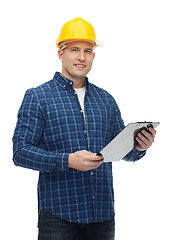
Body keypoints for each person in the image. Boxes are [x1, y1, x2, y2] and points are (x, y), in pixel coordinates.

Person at [12, 17, 156, 240]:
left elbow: (122, 152)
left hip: (102, 216)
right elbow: (20, 152)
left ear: (94, 56)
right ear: (61, 53)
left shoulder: (106, 100)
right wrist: (68, 160)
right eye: (74, 50)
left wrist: (139, 147)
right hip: (58, 216)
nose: (81, 57)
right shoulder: (38, 97)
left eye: (88, 51)